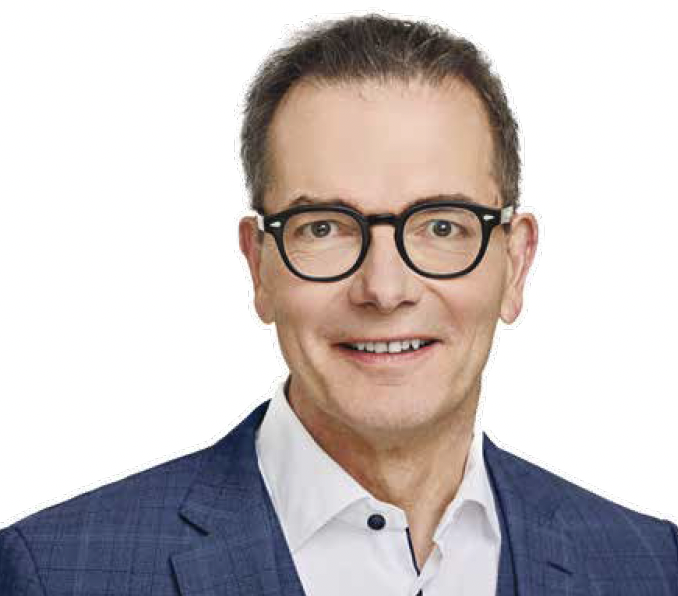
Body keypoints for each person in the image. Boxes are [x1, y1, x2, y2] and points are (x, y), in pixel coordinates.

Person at [1, 12, 676, 596]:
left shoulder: (653, 565)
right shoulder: (53, 573)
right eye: (324, 227)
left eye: (442, 226)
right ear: (259, 266)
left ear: (516, 264)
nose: (384, 288)